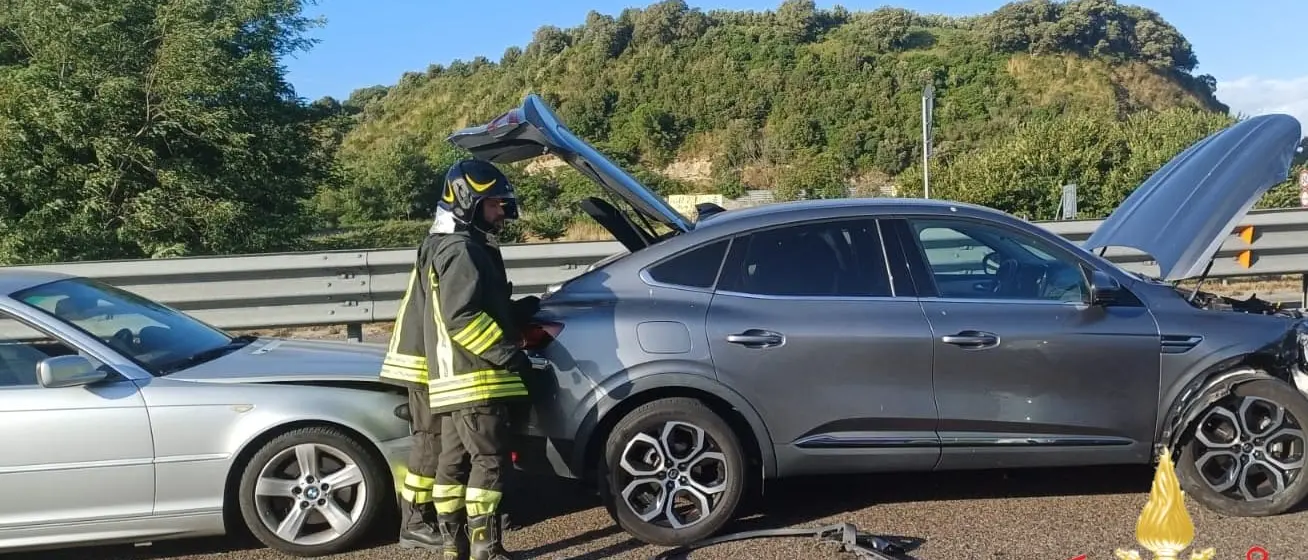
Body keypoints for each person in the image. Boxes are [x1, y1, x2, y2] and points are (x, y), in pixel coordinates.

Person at [425, 159, 537, 560]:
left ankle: (451, 549)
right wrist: (510, 356)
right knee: (489, 463)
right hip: (477, 379)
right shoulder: (463, 250)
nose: (500, 213)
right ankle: (486, 551)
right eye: (492, 205)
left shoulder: (446, 245)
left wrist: (517, 311)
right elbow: (463, 317)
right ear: (468, 201)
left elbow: (473, 308)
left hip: (454, 381)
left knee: (452, 468)